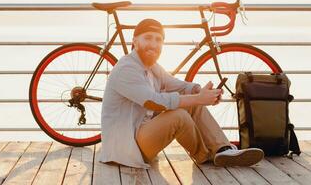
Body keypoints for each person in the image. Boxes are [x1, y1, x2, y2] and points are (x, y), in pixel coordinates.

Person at [99, 18, 264, 169]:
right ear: (135, 41)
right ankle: (206, 155)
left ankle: (223, 149)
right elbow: (153, 102)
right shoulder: (126, 68)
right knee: (179, 116)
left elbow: (176, 85)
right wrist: (198, 98)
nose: (153, 44)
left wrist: (199, 91)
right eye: (148, 38)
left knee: (193, 106)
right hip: (126, 147)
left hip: (141, 133)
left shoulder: (151, 66)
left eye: (158, 40)